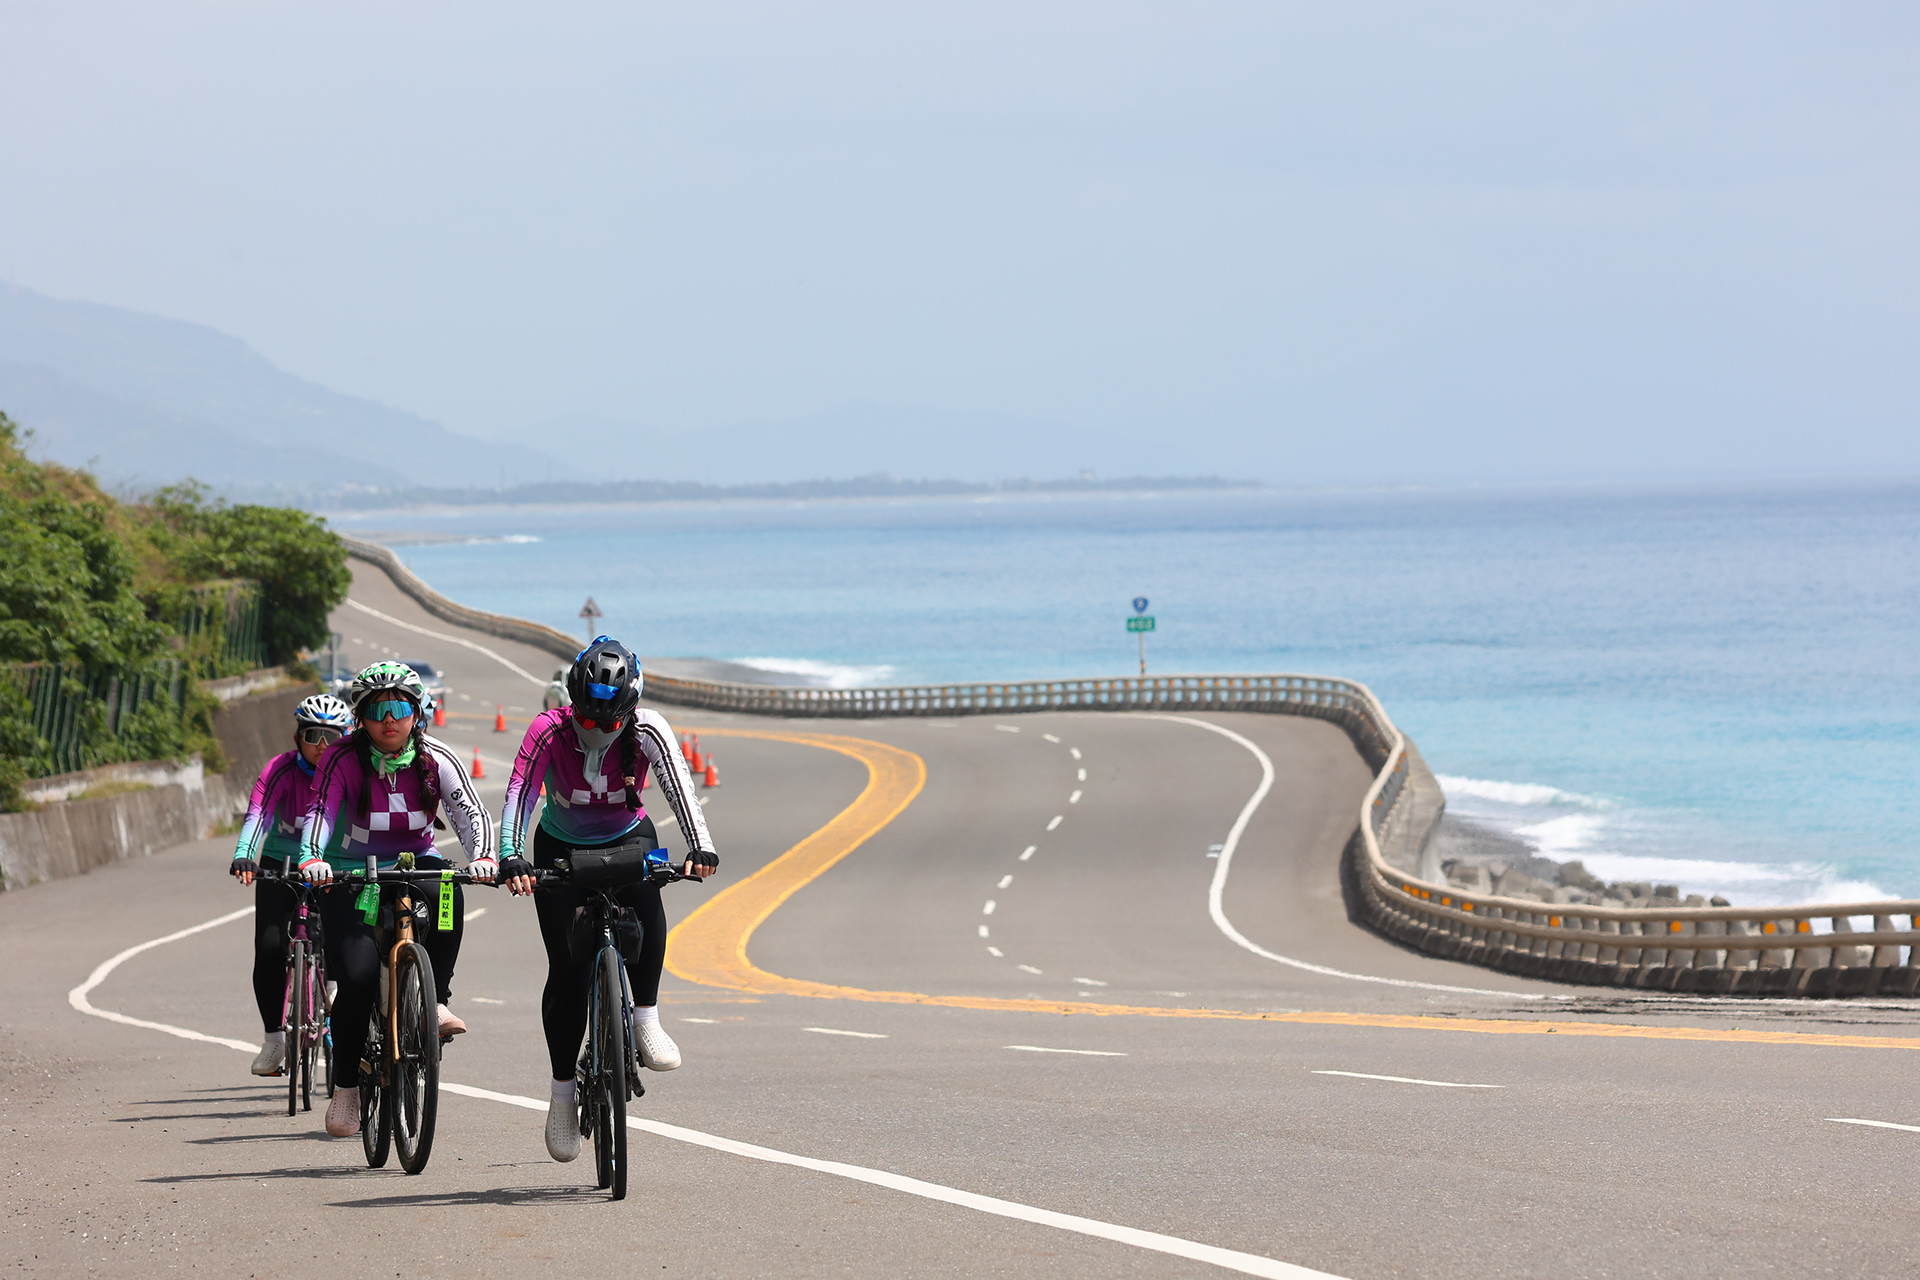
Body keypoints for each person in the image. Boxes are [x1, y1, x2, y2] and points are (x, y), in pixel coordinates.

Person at [497, 636, 717, 1163]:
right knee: (567, 971)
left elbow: (680, 788)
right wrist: (509, 854)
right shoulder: (547, 730)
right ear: (573, 702)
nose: (597, 730)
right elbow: (519, 795)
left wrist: (701, 846)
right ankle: (561, 1097)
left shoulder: (648, 729)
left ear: (630, 710)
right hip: (559, 845)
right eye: (588, 719)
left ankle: (645, 1017)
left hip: (628, 836)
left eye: (610, 722)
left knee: (648, 902)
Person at [296, 661, 497, 1138]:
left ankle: (438, 999)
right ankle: (346, 1089)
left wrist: (485, 856)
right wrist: (311, 857)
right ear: (361, 717)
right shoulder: (342, 760)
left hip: (415, 862)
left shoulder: (436, 757)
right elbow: (319, 812)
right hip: (353, 871)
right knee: (360, 978)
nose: (390, 719)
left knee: (448, 888)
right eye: (378, 709)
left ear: (417, 712)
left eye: (401, 708)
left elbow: (469, 811)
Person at [228, 693, 354, 1077]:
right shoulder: (280, 770)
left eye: (330, 737)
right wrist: (244, 854)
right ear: (297, 737)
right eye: (312, 735)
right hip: (280, 862)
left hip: (333, 862)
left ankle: (333, 992)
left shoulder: (350, 769)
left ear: (345, 737)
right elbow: (258, 814)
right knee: (268, 947)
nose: (320, 746)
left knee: (342, 940)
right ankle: (274, 1041)